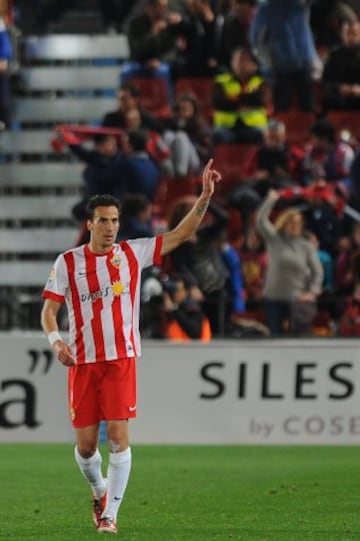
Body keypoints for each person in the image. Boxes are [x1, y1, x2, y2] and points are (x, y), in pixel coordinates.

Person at [40, 159, 221, 534]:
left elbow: (181, 234)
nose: (110, 227)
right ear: (89, 223)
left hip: (121, 359)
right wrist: (57, 342)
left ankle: (110, 516)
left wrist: (203, 197)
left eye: (115, 220)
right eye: (103, 220)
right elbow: (49, 311)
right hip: (84, 363)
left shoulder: (132, 254)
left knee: (119, 440)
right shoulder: (68, 263)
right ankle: (99, 491)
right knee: (88, 448)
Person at [255, 189, 323, 335]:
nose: (295, 226)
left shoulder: (306, 246)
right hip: (273, 299)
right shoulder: (274, 239)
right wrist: (271, 200)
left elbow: (317, 271)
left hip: (297, 300)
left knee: (297, 339)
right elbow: (261, 220)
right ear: (284, 223)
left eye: (298, 223)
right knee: (276, 337)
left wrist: (313, 292)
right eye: (291, 222)